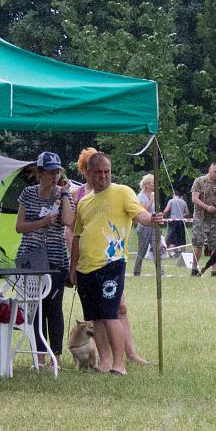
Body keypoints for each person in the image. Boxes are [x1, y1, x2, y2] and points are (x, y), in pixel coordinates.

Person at [69, 150, 162, 374]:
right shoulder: (83, 202)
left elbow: (139, 215)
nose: (103, 176)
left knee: (111, 314)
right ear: (88, 174)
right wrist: (73, 268)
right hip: (85, 267)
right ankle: (104, 361)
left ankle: (120, 364)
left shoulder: (122, 192)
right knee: (96, 318)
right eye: (98, 172)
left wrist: (152, 219)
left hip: (111, 263)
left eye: (107, 172)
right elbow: (77, 236)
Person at [15, 152, 74, 356]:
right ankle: (39, 355)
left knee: (53, 308)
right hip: (31, 258)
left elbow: (68, 221)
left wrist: (65, 194)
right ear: (39, 173)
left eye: (57, 172)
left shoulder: (64, 194)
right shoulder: (28, 193)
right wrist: (43, 222)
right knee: (35, 308)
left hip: (56, 259)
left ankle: (54, 355)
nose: (54, 176)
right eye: (50, 172)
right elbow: (19, 227)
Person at [190, 160, 216, 277]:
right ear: (209, 170)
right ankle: (194, 268)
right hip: (200, 217)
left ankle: (214, 270)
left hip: (215, 218)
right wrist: (206, 207)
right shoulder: (199, 181)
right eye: (215, 172)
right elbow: (194, 199)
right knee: (198, 243)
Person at [133, 173, 160, 277]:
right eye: (153, 184)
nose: (154, 186)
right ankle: (136, 272)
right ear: (147, 184)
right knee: (142, 250)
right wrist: (152, 199)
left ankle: (160, 273)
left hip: (154, 226)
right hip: (144, 226)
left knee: (157, 249)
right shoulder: (140, 196)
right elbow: (143, 211)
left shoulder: (153, 194)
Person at [163, 186, 188, 262]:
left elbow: (166, 210)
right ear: (179, 195)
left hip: (173, 221)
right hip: (181, 221)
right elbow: (187, 213)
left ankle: (173, 253)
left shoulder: (171, 201)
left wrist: (162, 216)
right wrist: (181, 215)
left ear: (173, 195)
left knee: (172, 237)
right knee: (182, 237)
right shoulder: (184, 202)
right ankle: (184, 253)